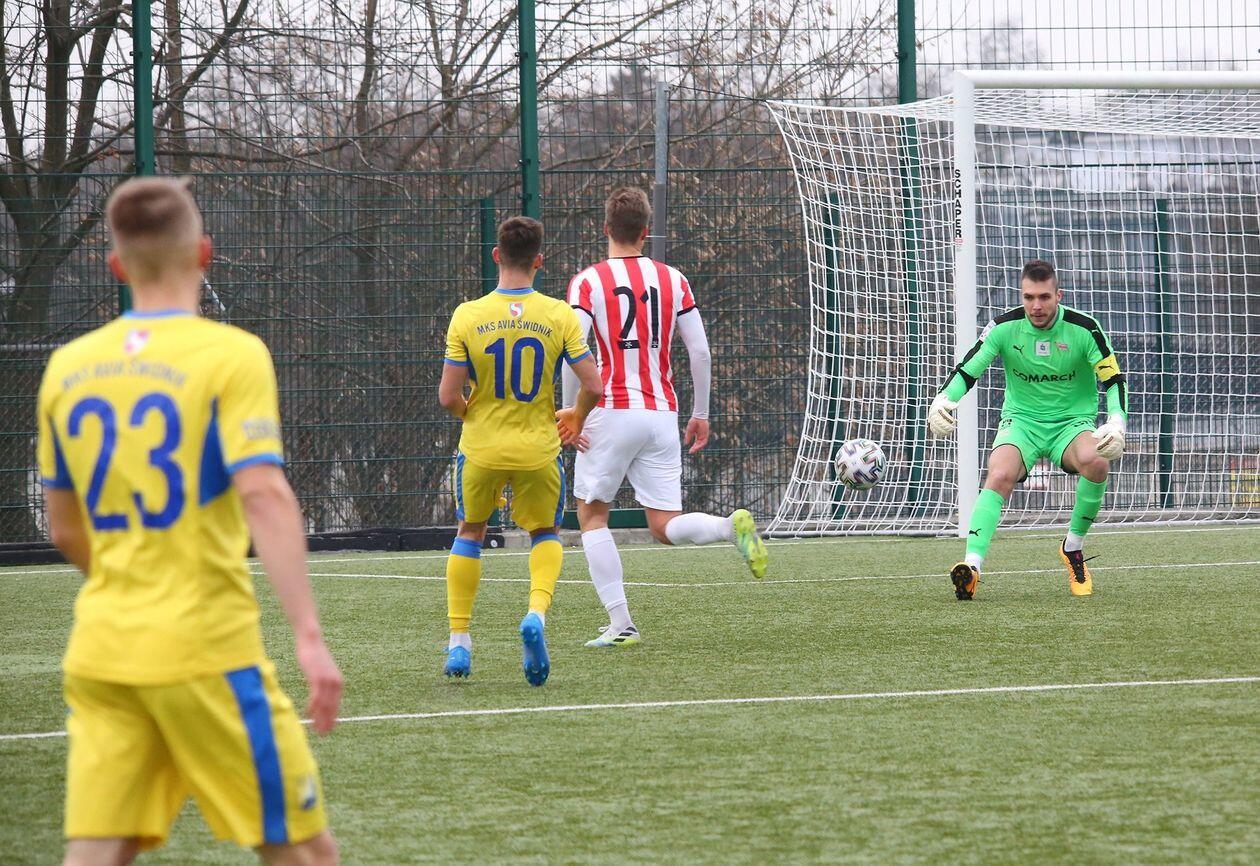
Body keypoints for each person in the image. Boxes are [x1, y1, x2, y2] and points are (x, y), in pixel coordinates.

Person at [38, 177, 343, 865]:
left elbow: (64, 529)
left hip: (103, 651)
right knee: (305, 851)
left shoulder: (66, 368)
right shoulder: (231, 355)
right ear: (203, 253)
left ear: (116, 267)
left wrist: (131, 581)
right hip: (205, 651)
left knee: (99, 850)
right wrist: (309, 636)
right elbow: (263, 493)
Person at [560, 187, 768, 649]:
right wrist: (701, 413)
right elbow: (701, 351)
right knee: (663, 524)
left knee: (591, 515)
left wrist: (574, 412)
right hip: (660, 412)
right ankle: (726, 527)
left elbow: (574, 352)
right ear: (645, 231)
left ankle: (621, 624)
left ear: (606, 229)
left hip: (609, 410)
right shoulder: (673, 279)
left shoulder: (588, 281)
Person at [439, 216, 602, 686]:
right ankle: (535, 615)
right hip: (538, 450)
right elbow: (593, 385)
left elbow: (448, 397)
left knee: (470, 532)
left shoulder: (467, 315)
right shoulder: (558, 314)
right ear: (539, 261)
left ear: (496, 255)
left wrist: (471, 413)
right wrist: (576, 417)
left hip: (482, 448)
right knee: (545, 532)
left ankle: (459, 641)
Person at [927, 259, 1128, 599]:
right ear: (1021, 296)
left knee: (1097, 461)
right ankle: (972, 568)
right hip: (1021, 423)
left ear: (1058, 296)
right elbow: (968, 370)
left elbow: (1113, 379)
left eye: (1044, 297)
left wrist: (1116, 421)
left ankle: (1073, 548)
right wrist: (944, 400)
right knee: (999, 474)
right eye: (1029, 297)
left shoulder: (1085, 329)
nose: (1036, 306)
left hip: (1071, 425)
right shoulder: (1003, 328)